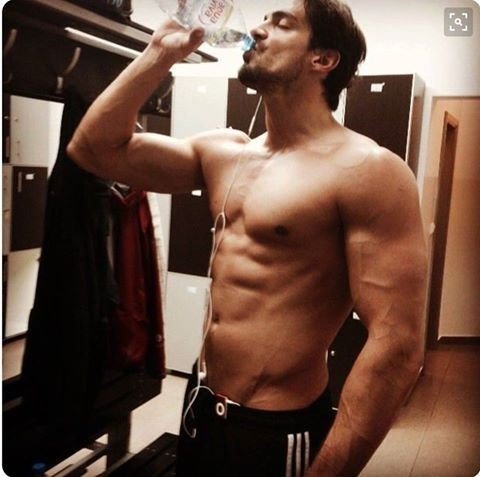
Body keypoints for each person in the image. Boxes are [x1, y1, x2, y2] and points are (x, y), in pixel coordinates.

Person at [67, 0, 428, 475]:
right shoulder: (224, 152)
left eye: (282, 23)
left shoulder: (367, 170)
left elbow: (397, 346)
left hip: (275, 428)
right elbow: (92, 149)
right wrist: (159, 53)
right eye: (262, 19)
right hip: (199, 407)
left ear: (322, 59)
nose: (258, 29)